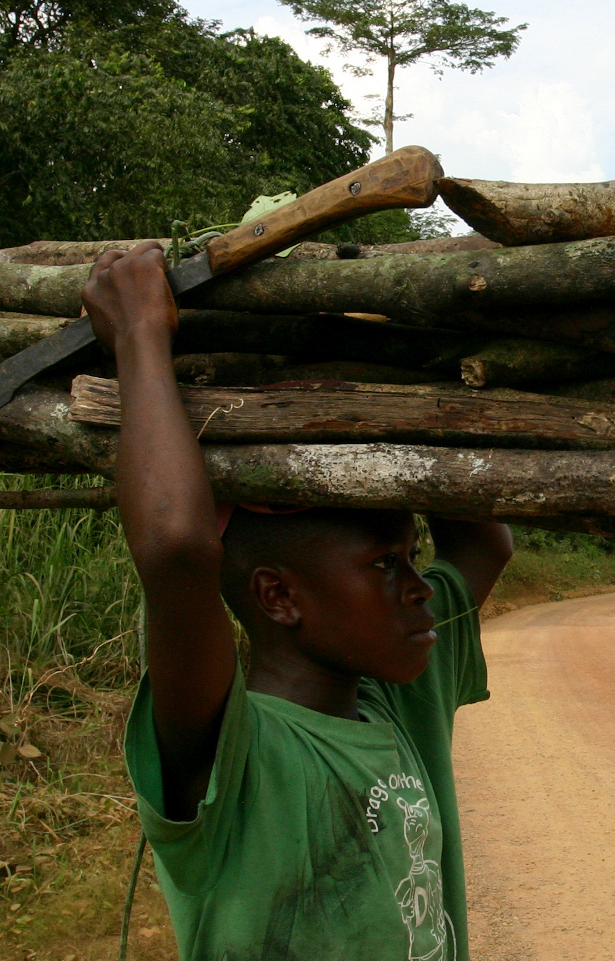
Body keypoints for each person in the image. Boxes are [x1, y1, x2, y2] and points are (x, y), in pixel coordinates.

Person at [82, 241, 513, 960]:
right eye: (383, 564)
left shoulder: (399, 700)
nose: (416, 588)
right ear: (278, 595)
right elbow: (179, 551)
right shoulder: (233, 752)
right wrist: (139, 335)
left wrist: (390, 362)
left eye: (412, 556)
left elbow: (483, 546)